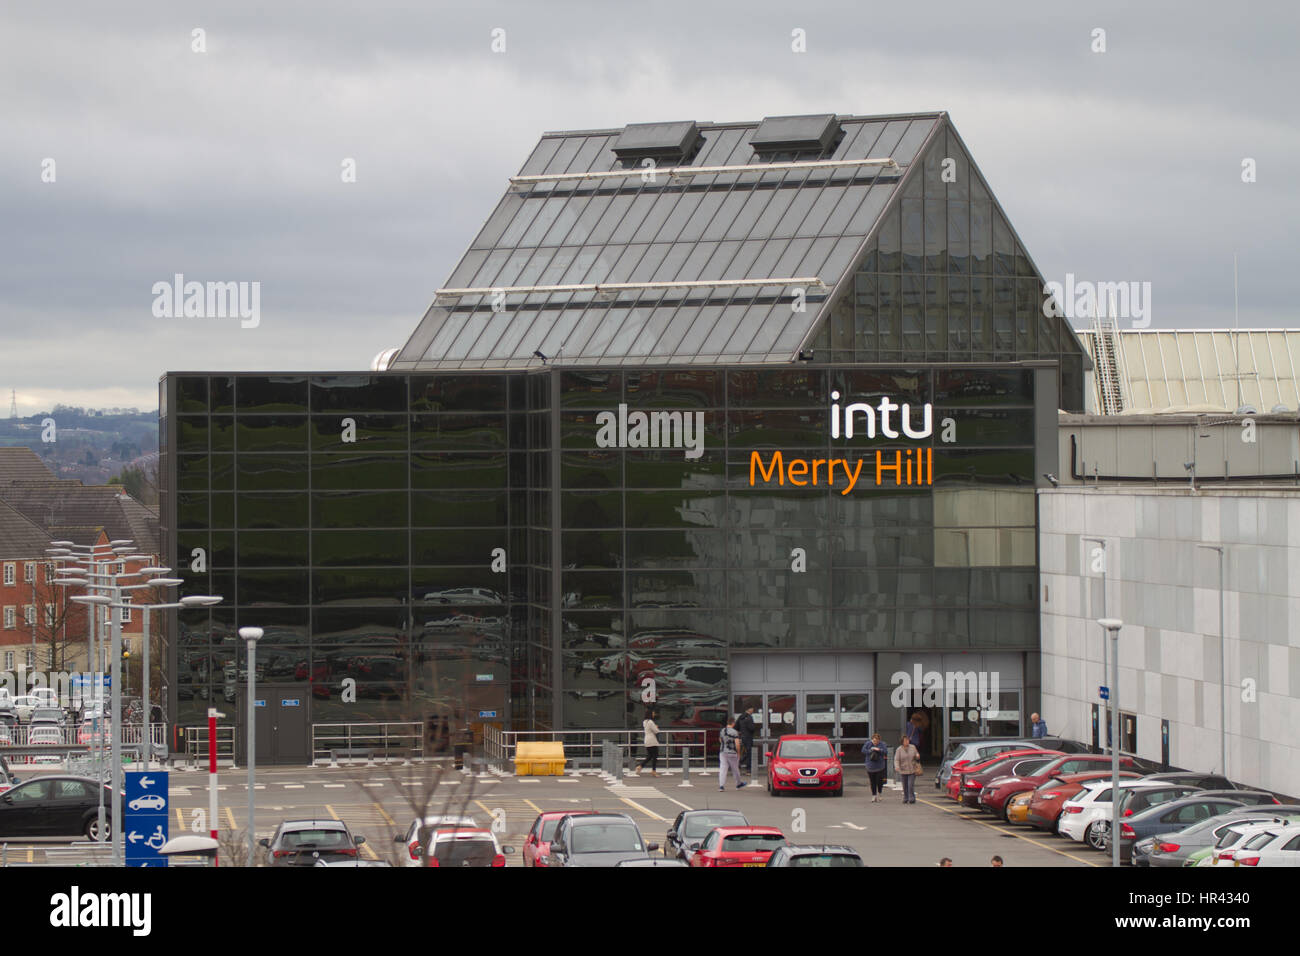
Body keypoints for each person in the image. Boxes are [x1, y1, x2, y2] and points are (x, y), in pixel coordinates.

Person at [718, 716, 746, 791]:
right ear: (733, 723)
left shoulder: (722, 731)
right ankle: (738, 784)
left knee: (723, 769)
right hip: (732, 752)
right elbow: (737, 744)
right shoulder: (734, 732)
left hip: (722, 752)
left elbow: (720, 740)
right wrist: (739, 753)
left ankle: (721, 786)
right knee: (735, 769)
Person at [894, 734, 921, 804]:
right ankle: (906, 798)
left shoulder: (913, 747)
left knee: (910, 785)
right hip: (903, 770)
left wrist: (917, 756)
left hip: (912, 769)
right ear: (902, 742)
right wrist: (897, 766)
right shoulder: (899, 749)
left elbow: (917, 755)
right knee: (905, 785)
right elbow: (896, 759)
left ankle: (911, 798)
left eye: (908, 740)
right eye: (905, 741)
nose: (907, 742)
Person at [862, 732, 888, 802]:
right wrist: (871, 750)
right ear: (872, 740)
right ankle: (874, 795)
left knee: (879, 781)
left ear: (879, 740)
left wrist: (879, 750)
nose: (875, 742)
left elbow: (885, 751)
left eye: (877, 741)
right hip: (870, 766)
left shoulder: (882, 744)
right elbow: (863, 750)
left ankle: (880, 793)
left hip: (880, 766)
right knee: (872, 781)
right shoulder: (868, 744)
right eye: (874, 741)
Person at [635, 709, 661, 776]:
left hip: (647, 739)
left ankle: (640, 766)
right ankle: (653, 770)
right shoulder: (650, 722)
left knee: (650, 756)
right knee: (655, 755)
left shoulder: (645, 722)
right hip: (652, 740)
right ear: (650, 714)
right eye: (653, 713)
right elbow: (656, 731)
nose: (653, 714)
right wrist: (656, 727)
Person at [735, 706, 757, 775]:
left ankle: (738, 764)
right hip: (748, 738)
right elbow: (752, 728)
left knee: (744, 752)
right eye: (752, 709)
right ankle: (748, 770)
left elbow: (736, 727)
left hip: (742, 737)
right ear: (749, 709)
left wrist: (741, 732)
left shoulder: (741, 716)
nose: (753, 711)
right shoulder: (749, 718)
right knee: (748, 753)